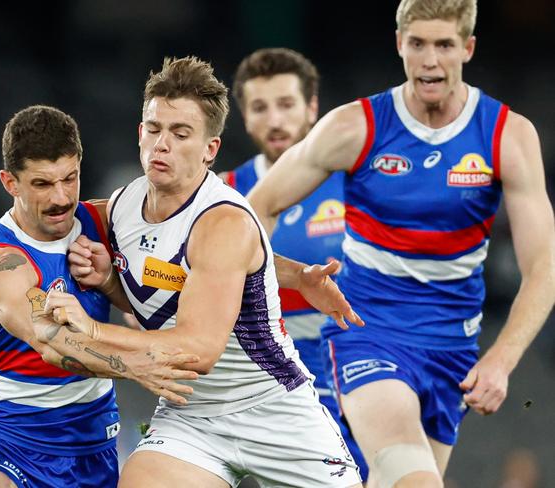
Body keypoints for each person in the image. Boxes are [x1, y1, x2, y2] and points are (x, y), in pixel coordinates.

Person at [247, 0, 555, 486]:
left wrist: (501, 358)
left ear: (468, 48)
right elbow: (255, 208)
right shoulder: (356, 127)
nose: (430, 60)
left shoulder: (507, 137)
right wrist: (257, 304)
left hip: (454, 349)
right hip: (368, 333)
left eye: (444, 45)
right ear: (399, 45)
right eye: (418, 44)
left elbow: (544, 269)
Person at [39, 56, 363, 488]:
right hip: (191, 417)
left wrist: (90, 332)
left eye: (180, 133)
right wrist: (108, 280)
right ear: (140, 133)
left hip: (274, 411)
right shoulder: (122, 207)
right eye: (153, 129)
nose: (162, 144)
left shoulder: (223, 221)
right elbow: (162, 292)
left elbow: (197, 350)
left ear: (210, 150)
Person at [0, 105, 201, 488]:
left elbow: (216, 241)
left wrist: (296, 274)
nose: (60, 198)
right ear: (10, 182)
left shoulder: (103, 220)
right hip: (11, 439)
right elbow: (52, 341)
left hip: (92, 436)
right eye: (42, 184)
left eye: (69, 179)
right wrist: (133, 365)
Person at [220, 47, 352, 435]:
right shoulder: (223, 195)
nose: (275, 120)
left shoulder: (354, 185)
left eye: (286, 104)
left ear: (312, 109)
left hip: (355, 369)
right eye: (260, 107)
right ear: (245, 117)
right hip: (265, 381)